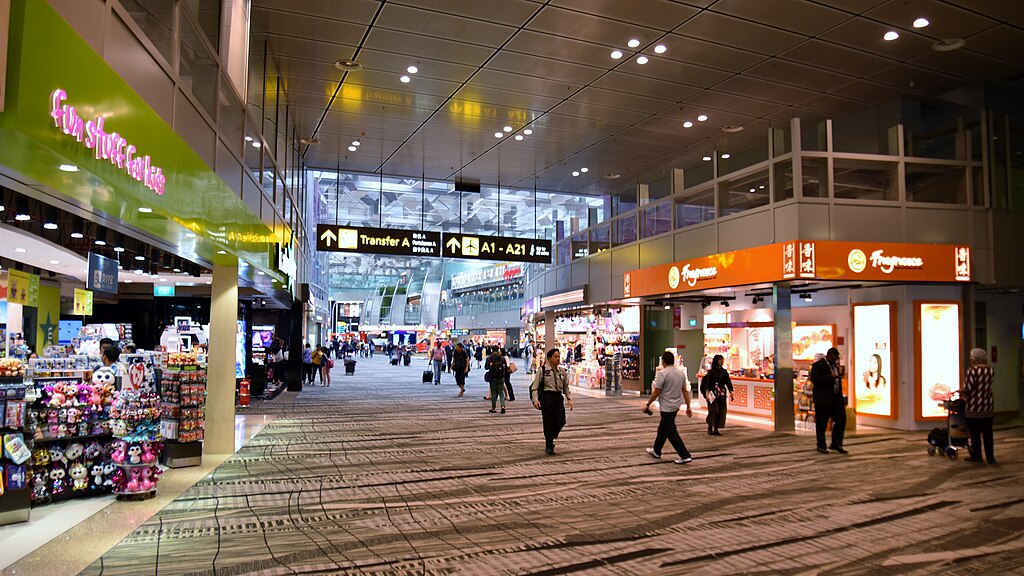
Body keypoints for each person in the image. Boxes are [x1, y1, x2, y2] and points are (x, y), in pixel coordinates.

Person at [644, 351, 693, 464]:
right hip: (676, 405)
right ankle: (656, 450)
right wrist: (688, 406)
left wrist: (648, 404)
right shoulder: (680, 373)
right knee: (663, 428)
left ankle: (685, 455)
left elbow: (657, 390)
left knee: (671, 431)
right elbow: (685, 390)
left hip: (666, 406)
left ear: (663, 361)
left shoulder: (663, 373)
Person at [530, 348, 573, 455]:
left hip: (558, 398)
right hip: (547, 397)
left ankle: (552, 434)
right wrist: (535, 400)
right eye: (555, 357)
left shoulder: (562, 371)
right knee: (548, 422)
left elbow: (566, 387)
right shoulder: (543, 370)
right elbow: (535, 387)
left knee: (561, 420)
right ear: (549, 358)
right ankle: (549, 445)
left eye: (559, 356)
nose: (558, 359)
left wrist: (569, 398)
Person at [811, 348, 848, 454]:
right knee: (822, 423)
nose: (836, 360)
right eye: (835, 357)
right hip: (823, 400)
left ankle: (836, 443)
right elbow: (814, 379)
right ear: (830, 355)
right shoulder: (818, 365)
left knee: (841, 420)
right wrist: (829, 377)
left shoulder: (835, 366)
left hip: (836, 399)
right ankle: (821, 445)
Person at [962, 348, 996, 464]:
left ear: (975, 359)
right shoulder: (991, 370)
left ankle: (977, 456)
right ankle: (990, 457)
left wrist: (963, 391)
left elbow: (969, 389)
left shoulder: (972, 371)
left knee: (975, 434)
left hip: (974, 407)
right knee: (988, 433)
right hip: (987, 406)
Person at [700, 354, 734, 436]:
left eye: (722, 360)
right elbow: (707, 384)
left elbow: (728, 382)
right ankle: (710, 426)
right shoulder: (711, 372)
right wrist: (707, 394)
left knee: (721, 411)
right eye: (720, 360)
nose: (722, 361)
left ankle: (716, 428)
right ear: (716, 361)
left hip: (721, 394)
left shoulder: (724, 372)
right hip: (712, 394)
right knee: (714, 410)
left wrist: (731, 392)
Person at [486, 347, 508, 414]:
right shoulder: (502, 358)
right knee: (501, 393)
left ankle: (493, 408)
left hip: (493, 377)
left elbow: (486, 367)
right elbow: (506, 367)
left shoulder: (490, 358)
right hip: (501, 377)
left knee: (493, 393)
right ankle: (503, 406)